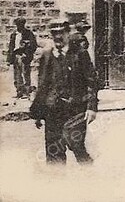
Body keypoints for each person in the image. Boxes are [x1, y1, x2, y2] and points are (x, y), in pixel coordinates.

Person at [29, 20, 97, 164]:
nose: (58, 36)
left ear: (67, 33)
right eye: (54, 33)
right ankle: (57, 177)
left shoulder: (80, 54)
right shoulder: (47, 55)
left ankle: (89, 172)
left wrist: (91, 107)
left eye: (61, 32)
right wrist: (38, 112)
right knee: (54, 152)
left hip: (75, 110)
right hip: (52, 110)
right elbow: (43, 84)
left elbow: (91, 82)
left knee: (76, 145)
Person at [6, 17, 37, 98]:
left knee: (25, 73)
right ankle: (19, 91)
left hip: (24, 56)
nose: (19, 26)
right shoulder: (14, 35)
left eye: (21, 24)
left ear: (24, 24)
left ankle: (26, 92)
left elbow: (33, 45)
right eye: (18, 24)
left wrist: (26, 54)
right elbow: (11, 47)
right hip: (16, 56)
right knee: (17, 74)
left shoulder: (28, 33)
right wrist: (9, 59)